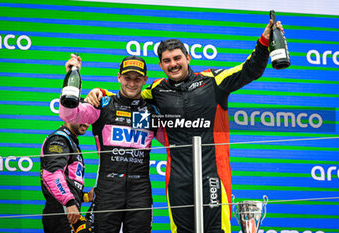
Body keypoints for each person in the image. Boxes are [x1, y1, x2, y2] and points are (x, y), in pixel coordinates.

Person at [86, 20, 284, 233]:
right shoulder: (157, 89)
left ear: (188, 58)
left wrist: (265, 41)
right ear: (161, 66)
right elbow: (128, 95)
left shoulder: (213, 80)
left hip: (213, 174)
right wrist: (101, 93)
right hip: (178, 178)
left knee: (216, 230)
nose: (173, 64)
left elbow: (250, 70)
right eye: (167, 60)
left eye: (177, 58)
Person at [59, 55, 163, 233]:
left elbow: (177, 137)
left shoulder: (151, 111)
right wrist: (72, 77)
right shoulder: (103, 104)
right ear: (119, 77)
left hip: (140, 191)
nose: (132, 83)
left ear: (145, 80)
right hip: (108, 189)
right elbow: (69, 115)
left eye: (137, 79)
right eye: (127, 78)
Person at [40, 122, 94, 233]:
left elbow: (69, 183)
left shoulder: (71, 141)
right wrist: (69, 203)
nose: (86, 123)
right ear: (70, 115)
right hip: (60, 212)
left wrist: (86, 197)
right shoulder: (60, 139)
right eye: (82, 118)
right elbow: (52, 174)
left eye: (89, 119)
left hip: (67, 213)